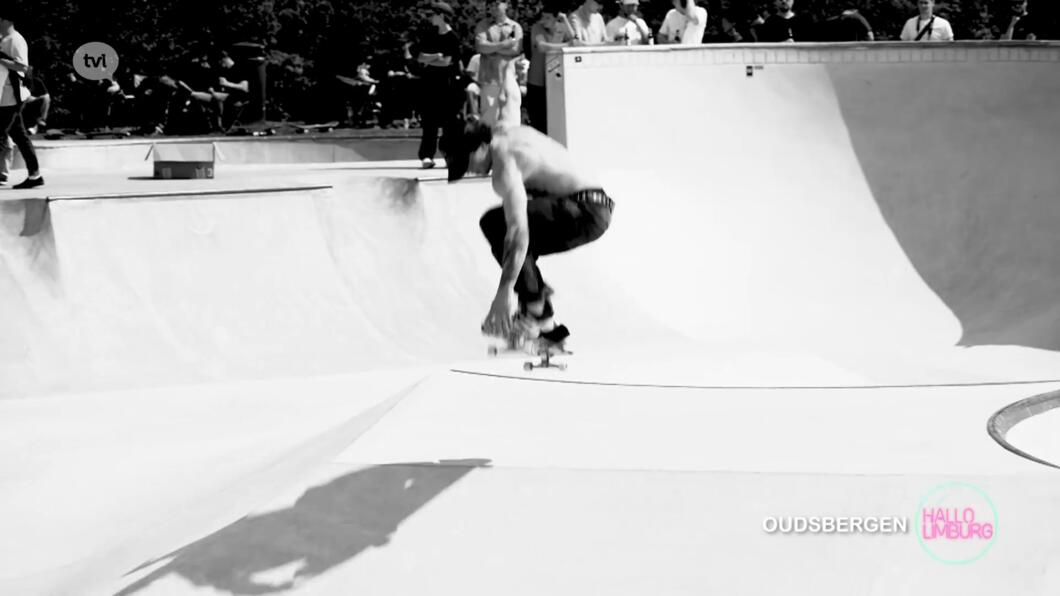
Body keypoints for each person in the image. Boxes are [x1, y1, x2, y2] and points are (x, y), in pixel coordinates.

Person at [444, 118, 615, 344]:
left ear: (482, 146)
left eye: (467, 163)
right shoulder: (508, 131)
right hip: (591, 206)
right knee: (511, 231)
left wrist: (504, 293)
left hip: (583, 211)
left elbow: (517, 235)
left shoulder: (504, 167)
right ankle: (546, 326)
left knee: (497, 225)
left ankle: (535, 310)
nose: (469, 172)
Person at [415, 1, 463, 168]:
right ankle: (427, 155)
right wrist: (436, 55)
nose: (430, 18)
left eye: (432, 15)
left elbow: (446, 62)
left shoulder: (452, 38)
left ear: (441, 16)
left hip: (447, 85)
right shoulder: (430, 35)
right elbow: (420, 57)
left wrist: (432, 59)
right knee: (429, 121)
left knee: (450, 123)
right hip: (430, 83)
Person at [0, 11, 43, 188]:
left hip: (13, 97)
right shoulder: (4, 39)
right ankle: (35, 175)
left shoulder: (16, 40)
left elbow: (23, 67)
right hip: (4, 97)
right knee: (20, 136)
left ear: (6, 20)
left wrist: (1, 59)